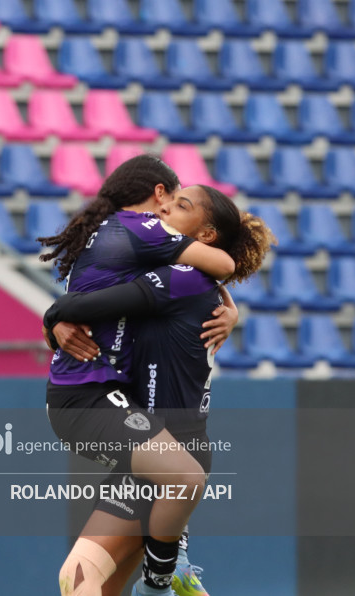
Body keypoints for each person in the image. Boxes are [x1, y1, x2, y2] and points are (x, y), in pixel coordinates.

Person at [44, 186, 275, 596]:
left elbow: (91, 303)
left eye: (180, 205)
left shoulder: (182, 277)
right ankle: (168, 566)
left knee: (80, 578)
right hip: (155, 447)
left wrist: (54, 316)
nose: (164, 207)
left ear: (205, 236)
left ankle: (161, 578)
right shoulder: (185, 277)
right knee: (84, 582)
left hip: (169, 453)